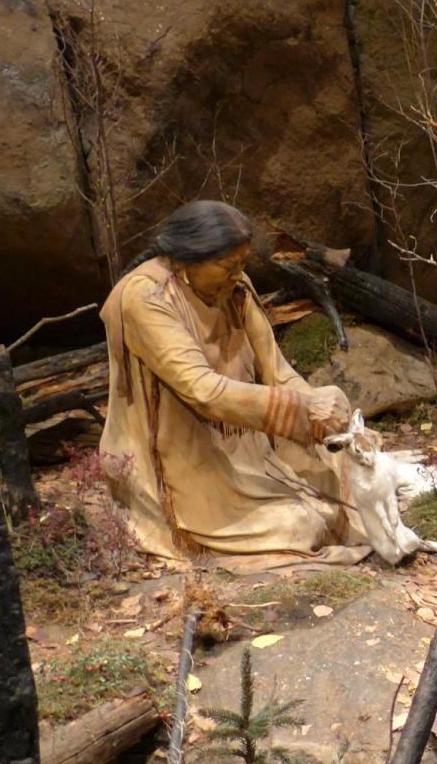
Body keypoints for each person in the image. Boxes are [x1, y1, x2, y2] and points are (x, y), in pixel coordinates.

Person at [99, 200, 369, 567]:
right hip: (183, 462)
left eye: (242, 264)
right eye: (228, 267)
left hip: (249, 449)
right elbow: (203, 391)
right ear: (187, 259)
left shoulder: (235, 286)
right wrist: (301, 408)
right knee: (301, 525)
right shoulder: (145, 297)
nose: (238, 275)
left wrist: (321, 410)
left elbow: (276, 371)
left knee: (347, 463)